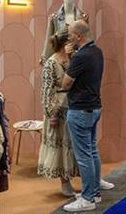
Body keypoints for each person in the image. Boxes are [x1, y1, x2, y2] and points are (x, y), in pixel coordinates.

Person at [61, 20, 110, 211]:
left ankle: (88, 198)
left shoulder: (81, 56)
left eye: (70, 34)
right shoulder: (97, 51)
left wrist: (69, 58)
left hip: (80, 109)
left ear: (78, 36)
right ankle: (95, 192)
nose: (68, 37)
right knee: (92, 151)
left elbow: (66, 84)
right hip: (94, 107)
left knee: (83, 157)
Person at [40, 30, 79, 198]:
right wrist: (51, 114)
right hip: (58, 109)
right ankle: (64, 182)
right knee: (61, 147)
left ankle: (75, 177)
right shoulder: (51, 63)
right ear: (65, 44)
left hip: (73, 106)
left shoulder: (72, 59)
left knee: (71, 145)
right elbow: (46, 91)